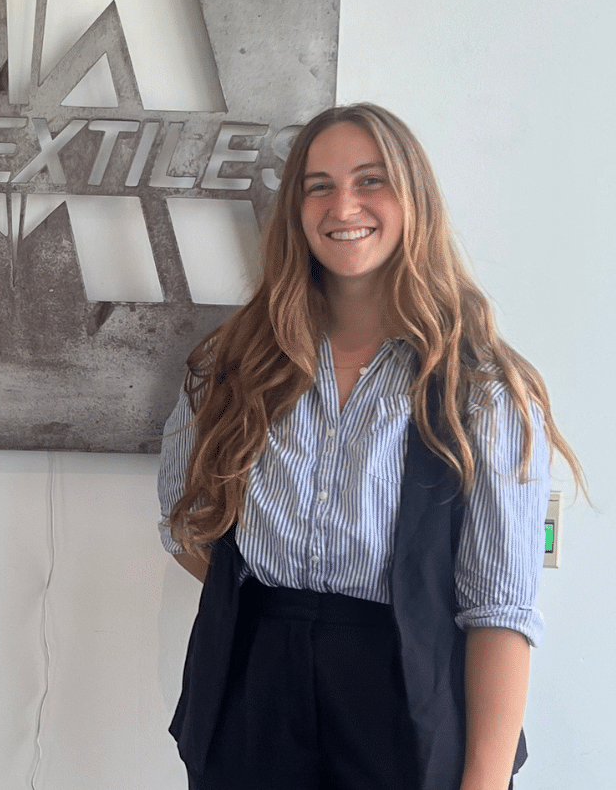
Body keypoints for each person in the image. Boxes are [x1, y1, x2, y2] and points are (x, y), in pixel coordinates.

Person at [158, 103, 583, 790]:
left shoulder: (481, 390)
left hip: (407, 700)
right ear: (295, 210)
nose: (343, 206)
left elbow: (500, 614)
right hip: (253, 698)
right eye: (318, 186)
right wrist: (280, 616)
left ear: (413, 198)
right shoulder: (233, 367)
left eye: (370, 180)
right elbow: (187, 527)